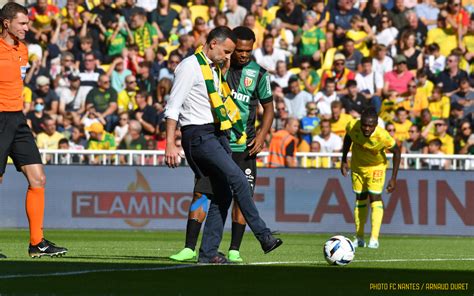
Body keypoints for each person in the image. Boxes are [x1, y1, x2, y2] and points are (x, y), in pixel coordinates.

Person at [164, 26, 282, 264]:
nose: (229, 57)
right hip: (199, 135)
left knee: (224, 194)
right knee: (235, 181)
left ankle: (208, 254)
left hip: (216, 134)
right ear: (213, 44)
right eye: (227, 51)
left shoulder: (213, 69)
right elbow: (173, 106)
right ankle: (264, 236)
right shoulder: (190, 66)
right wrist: (169, 143)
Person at [0, 2, 67, 258]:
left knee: (38, 178)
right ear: (7, 23)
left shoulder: (24, 50)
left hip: (17, 120)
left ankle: (36, 242)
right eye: (22, 23)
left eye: (27, 23)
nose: (27, 28)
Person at [341, 107, 401, 249]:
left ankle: (374, 239)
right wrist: (344, 159)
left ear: (376, 125)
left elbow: (397, 152)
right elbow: (348, 137)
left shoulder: (383, 136)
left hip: (376, 167)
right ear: (360, 122)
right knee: (360, 198)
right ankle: (359, 237)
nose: (367, 128)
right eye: (364, 125)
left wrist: (393, 178)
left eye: (370, 126)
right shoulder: (352, 126)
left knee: (374, 197)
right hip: (357, 166)